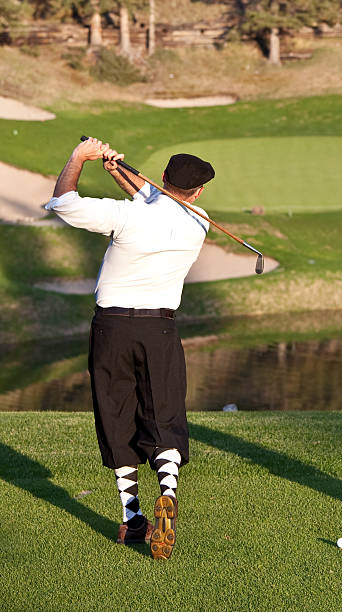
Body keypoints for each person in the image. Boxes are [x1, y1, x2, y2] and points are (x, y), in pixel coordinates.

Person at [46, 137, 215, 560]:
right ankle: (169, 490)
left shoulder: (126, 215)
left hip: (113, 327)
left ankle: (134, 517)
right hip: (160, 330)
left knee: (116, 411)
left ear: (162, 178)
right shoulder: (200, 221)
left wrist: (79, 158)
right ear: (197, 192)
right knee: (165, 412)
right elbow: (158, 201)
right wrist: (117, 168)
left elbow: (63, 202)